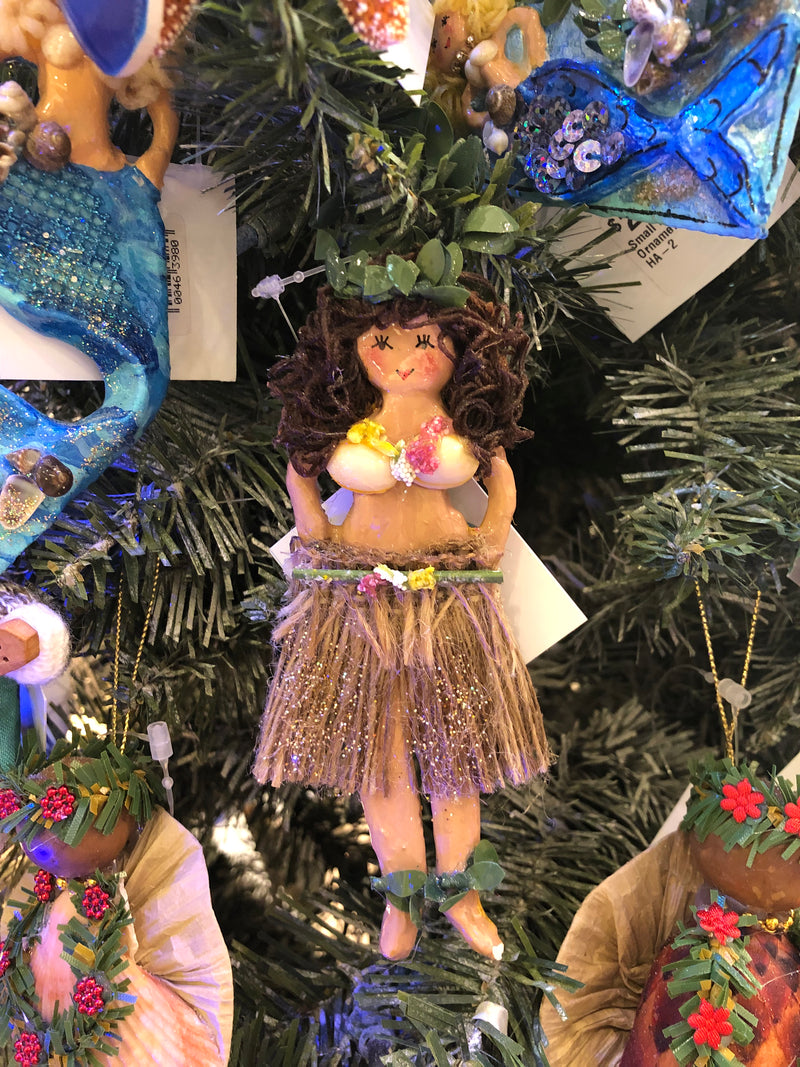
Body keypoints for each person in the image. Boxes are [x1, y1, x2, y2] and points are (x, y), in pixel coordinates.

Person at [254, 277, 551, 961]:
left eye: (424, 341)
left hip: (449, 595)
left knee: (455, 752)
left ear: (462, 349)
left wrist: (492, 536)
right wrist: (313, 532)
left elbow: (501, 479)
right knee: (380, 757)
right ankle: (403, 894)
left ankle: (462, 890)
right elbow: (301, 474)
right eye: (381, 341)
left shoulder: (461, 422)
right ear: (351, 345)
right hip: (356, 600)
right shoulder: (346, 420)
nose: (403, 358)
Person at [0, 0, 177, 572]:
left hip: (114, 182)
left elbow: (160, 99)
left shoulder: (132, 27)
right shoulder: (36, 19)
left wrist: (152, 166)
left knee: (144, 375)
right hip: (36, 171)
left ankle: (38, 473)